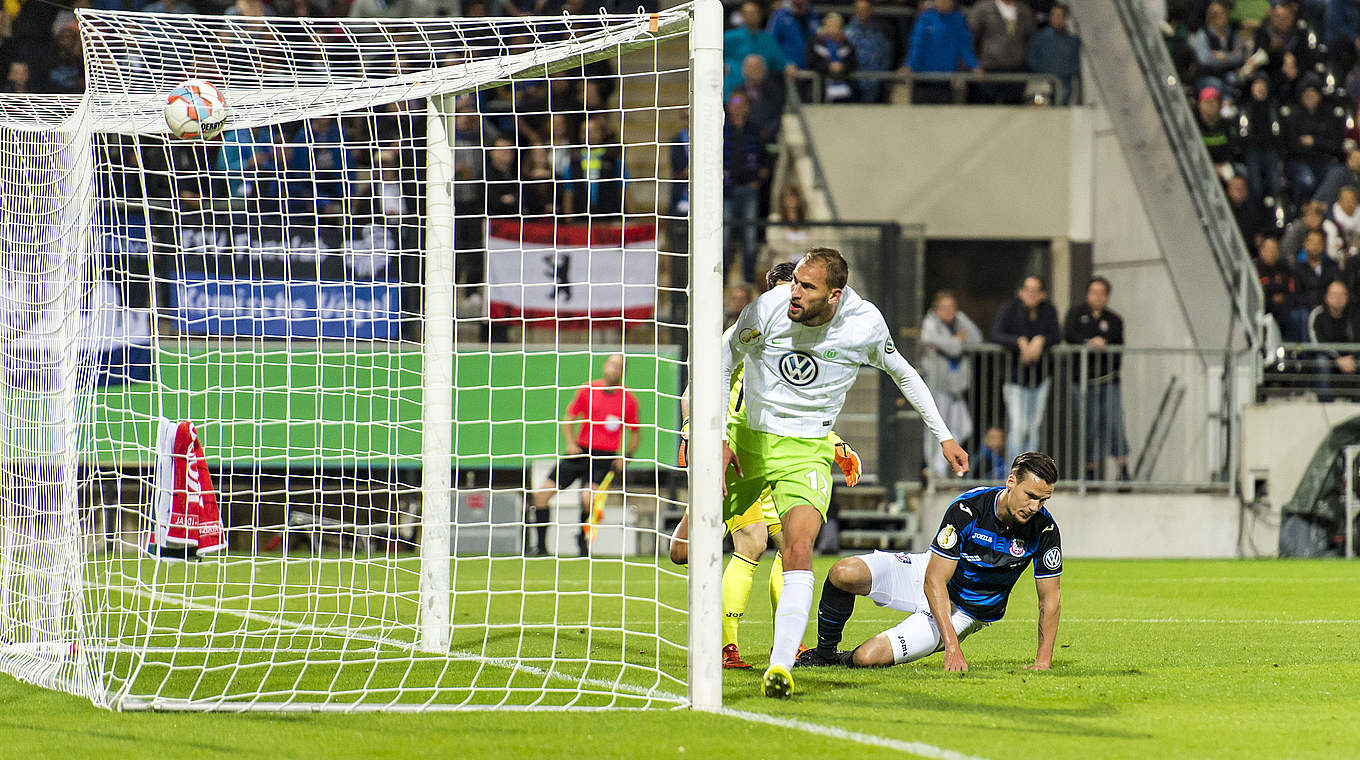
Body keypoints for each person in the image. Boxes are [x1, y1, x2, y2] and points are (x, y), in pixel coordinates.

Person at [719, 248, 968, 697]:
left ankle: (780, 666)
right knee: (685, 549)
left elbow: (905, 374)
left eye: (806, 286)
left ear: (834, 295)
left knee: (797, 547)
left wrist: (944, 436)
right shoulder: (768, 309)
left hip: (808, 448)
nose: (794, 292)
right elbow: (722, 359)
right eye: (794, 281)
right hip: (748, 441)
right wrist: (716, 436)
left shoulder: (864, 324)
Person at [669, 262, 863, 670]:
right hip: (740, 451)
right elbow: (693, 392)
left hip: (781, 454)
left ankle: (784, 644)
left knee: (785, 543)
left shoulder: (803, 345)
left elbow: (803, 415)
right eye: (782, 293)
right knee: (739, 544)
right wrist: (690, 433)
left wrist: (837, 443)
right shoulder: (745, 334)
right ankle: (723, 642)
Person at [796, 452, 1061, 671]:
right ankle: (825, 653)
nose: (1035, 507)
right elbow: (934, 578)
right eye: (1031, 496)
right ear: (1011, 481)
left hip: (967, 611)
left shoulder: (1045, 529)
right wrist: (952, 647)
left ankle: (846, 660)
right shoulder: (969, 509)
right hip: (929, 574)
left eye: (1044, 499)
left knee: (867, 657)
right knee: (844, 572)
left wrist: (1043, 661)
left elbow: (1049, 599)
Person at [527, 354, 640, 557]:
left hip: (603, 457)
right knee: (541, 495)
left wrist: (626, 456)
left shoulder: (628, 400)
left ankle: (582, 541)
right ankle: (541, 547)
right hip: (579, 451)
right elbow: (569, 417)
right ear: (605, 366)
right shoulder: (588, 389)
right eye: (612, 363)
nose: (614, 368)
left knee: (588, 498)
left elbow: (635, 432)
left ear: (623, 371)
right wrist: (570, 443)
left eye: (619, 365)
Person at [1063, 277, 1131, 482]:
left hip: (1109, 381)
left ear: (1107, 296)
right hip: (1083, 382)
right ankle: (1089, 469)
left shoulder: (1114, 319)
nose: (1098, 297)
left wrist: (1103, 343)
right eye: (1094, 292)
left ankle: (1123, 469)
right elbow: (1069, 335)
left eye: (1102, 293)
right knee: (1089, 426)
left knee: (1114, 424)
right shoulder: (1076, 314)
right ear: (1087, 294)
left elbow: (1117, 344)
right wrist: (1089, 343)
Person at [991, 274, 1060, 468]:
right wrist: (1019, 342)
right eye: (1028, 290)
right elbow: (996, 334)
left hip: (1039, 378)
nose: (1031, 294)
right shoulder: (1009, 309)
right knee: (1018, 427)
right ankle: (1014, 472)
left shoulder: (1048, 310)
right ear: (1021, 292)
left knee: (1033, 428)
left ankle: (1030, 472)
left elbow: (1056, 335)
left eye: (1035, 291)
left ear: (1042, 294)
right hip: (1015, 378)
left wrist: (1041, 340)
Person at [919, 290, 983, 478]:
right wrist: (957, 341)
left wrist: (953, 340)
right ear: (936, 309)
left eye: (952, 308)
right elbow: (938, 343)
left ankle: (941, 464)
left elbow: (977, 339)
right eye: (944, 308)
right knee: (936, 428)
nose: (949, 312)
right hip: (937, 386)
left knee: (964, 427)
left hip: (955, 388)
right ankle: (934, 468)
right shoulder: (930, 323)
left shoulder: (959, 320)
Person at [900, 0, 980, 105]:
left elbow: (964, 46)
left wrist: (974, 66)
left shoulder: (958, 20)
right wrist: (909, 65)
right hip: (922, 78)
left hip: (945, 81)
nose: (942, 3)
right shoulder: (925, 18)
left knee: (944, 117)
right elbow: (917, 44)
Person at [968, 0, 1038, 104]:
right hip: (988, 70)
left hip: (1016, 70)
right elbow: (970, 38)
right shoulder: (983, 9)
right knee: (985, 110)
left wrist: (1027, 64)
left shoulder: (1024, 11)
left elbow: (1031, 39)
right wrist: (973, 65)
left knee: (1013, 111)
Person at [1307, 280, 1360, 400]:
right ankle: (1325, 402)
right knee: (1321, 362)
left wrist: (1352, 356)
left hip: (1352, 358)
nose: (1338, 298)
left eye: (1342, 295)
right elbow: (1316, 343)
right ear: (1326, 297)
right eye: (1334, 295)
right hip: (1329, 358)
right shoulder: (1317, 315)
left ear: (1347, 297)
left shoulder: (1355, 314)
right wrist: (1337, 359)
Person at [723, 1, 788, 97]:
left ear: (760, 14)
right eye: (747, 13)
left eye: (754, 13)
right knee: (735, 107)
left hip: (760, 94)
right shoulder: (730, 37)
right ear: (742, 15)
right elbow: (712, 57)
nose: (751, 16)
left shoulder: (768, 38)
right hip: (734, 94)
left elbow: (780, 63)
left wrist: (788, 66)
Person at [1026, 1, 1081, 105]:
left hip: (1064, 85)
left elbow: (1075, 64)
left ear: (1065, 19)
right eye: (1053, 15)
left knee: (1062, 113)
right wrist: (1044, 74)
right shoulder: (1039, 38)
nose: (1056, 19)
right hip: (1042, 84)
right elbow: (1031, 59)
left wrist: (1063, 74)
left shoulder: (1073, 41)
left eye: (1059, 16)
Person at [1256, 234, 1308, 341]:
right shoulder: (1255, 270)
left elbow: (1293, 292)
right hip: (1264, 310)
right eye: (1268, 249)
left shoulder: (1286, 269)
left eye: (1275, 249)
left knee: (1299, 314)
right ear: (1261, 251)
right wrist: (1271, 299)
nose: (1272, 253)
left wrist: (1283, 299)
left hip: (1285, 310)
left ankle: (1297, 352)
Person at [845, 0, 894, 103]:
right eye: (859, 9)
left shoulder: (880, 33)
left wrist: (880, 78)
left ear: (870, 11)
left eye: (865, 9)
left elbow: (886, 57)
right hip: (852, 83)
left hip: (875, 85)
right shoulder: (846, 34)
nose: (862, 12)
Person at [807, 12, 857, 103]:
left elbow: (853, 63)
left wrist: (843, 66)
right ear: (824, 27)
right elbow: (811, 62)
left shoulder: (848, 45)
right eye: (830, 26)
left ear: (841, 28)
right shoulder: (816, 43)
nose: (833, 29)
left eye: (836, 26)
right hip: (820, 90)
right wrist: (828, 66)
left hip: (844, 93)